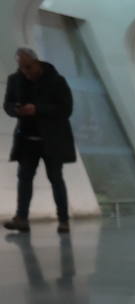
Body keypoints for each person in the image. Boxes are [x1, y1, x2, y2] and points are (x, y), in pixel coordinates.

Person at [4, 48, 76, 234]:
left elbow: (66, 109)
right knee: (24, 178)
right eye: (22, 68)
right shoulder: (15, 80)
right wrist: (16, 109)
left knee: (55, 179)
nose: (26, 72)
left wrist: (38, 109)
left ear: (37, 62)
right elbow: (7, 104)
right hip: (27, 139)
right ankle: (21, 218)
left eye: (28, 67)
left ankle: (63, 220)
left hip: (51, 139)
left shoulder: (56, 80)